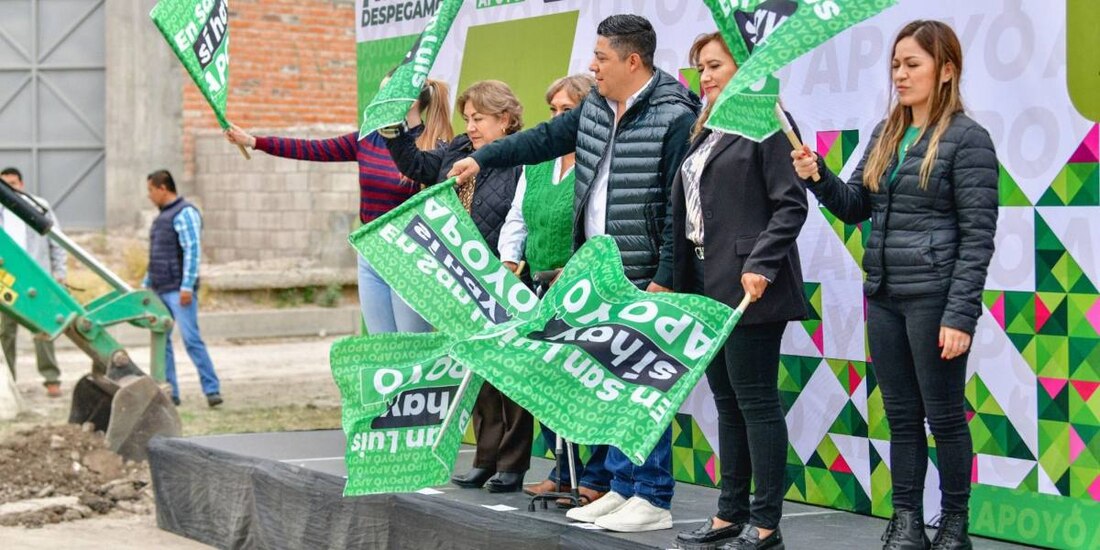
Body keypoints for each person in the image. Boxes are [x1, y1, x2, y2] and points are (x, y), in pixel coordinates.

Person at [449, 14, 700, 532]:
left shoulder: (674, 114)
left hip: (644, 271)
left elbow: (682, 203)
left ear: (633, 61)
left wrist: (668, 273)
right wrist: (483, 158)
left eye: (601, 57)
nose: (592, 65)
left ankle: (652, 495)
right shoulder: (594, 110)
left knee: (645, 388)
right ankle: (622, 487)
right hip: (600, 272)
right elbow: (539, 140)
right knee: (611, 385)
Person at [792, 20, 997, 550]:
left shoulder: (968, 139)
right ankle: (907, 522)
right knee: (902, 416)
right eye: (895, 65)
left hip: (935, 299)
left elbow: (978, 239)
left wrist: (960, 316)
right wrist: (818, 178)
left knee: (945, 418)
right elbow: (855, 205)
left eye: (913, 64)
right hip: (883, 297)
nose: (900, 75)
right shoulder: (887, 132)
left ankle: (954, 526)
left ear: (946, 69)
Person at [668, 33, 807, 550]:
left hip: (751, 284)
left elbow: (791, 203)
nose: (704, 77)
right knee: (727, 403)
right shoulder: (705, 129)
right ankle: (730, 514)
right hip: (706, 283)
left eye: (714, 65)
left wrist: (761, 264)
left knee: (756, 403)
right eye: (699, 68)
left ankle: (766, 524)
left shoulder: (765, 119)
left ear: (744, 69)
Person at [384, 80, 531, 493]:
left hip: (503, 276)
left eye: (479, 119)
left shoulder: (523, 157)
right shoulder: (458, 151)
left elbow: (522, 218)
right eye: (467, 119)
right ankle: (485, 458)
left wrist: (510, 264)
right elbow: (417, 166)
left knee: (509, 376)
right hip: (459, 276)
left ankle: (513, 463)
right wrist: (394, 128)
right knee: (477, 372)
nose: (471, 127)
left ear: (505, 119)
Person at [224, 79, 454, 335]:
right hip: (370, 252)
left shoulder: (434, 147)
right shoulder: (368, 138)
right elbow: (313, 149)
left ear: (410, 101)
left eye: (386, 91)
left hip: (409, 255)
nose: (378, 98)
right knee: (383, 348)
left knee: (415, 348)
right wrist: (255, 141)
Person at [495, 74, 612, 506]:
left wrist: (578, 270)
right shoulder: (538, 162)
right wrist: (509, 259)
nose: (560, 118)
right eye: (554, 111)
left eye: (568, 110)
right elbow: (517, 218)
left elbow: (600, 223)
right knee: (545, 381)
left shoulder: (597, 158)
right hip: (538, 288)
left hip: (583, 288)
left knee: (587, 384)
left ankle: (595, 474)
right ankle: (564, 470)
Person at [144, 170, 224, 408]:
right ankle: (170, 393)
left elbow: (192, 251)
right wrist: (146, 285)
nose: (149, 196)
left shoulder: (185, 213)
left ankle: (212, 390)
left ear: (162, 188)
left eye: (150, 190)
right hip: (160, 288)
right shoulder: (161, 218)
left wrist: (187, 286)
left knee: (191, 339)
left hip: (178, 291)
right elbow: (156, 256)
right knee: (162, 342)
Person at [0, 168, 66, 397]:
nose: (11, 188)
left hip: (38, 278)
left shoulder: (38, 208)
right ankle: (9, 381)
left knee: (43, 328)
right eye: (5, 185)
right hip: (8, 281)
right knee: (5, 333)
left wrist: (59, 274)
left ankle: (51, 378)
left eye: (14, 184)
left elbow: (57, 242)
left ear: (22, 184)